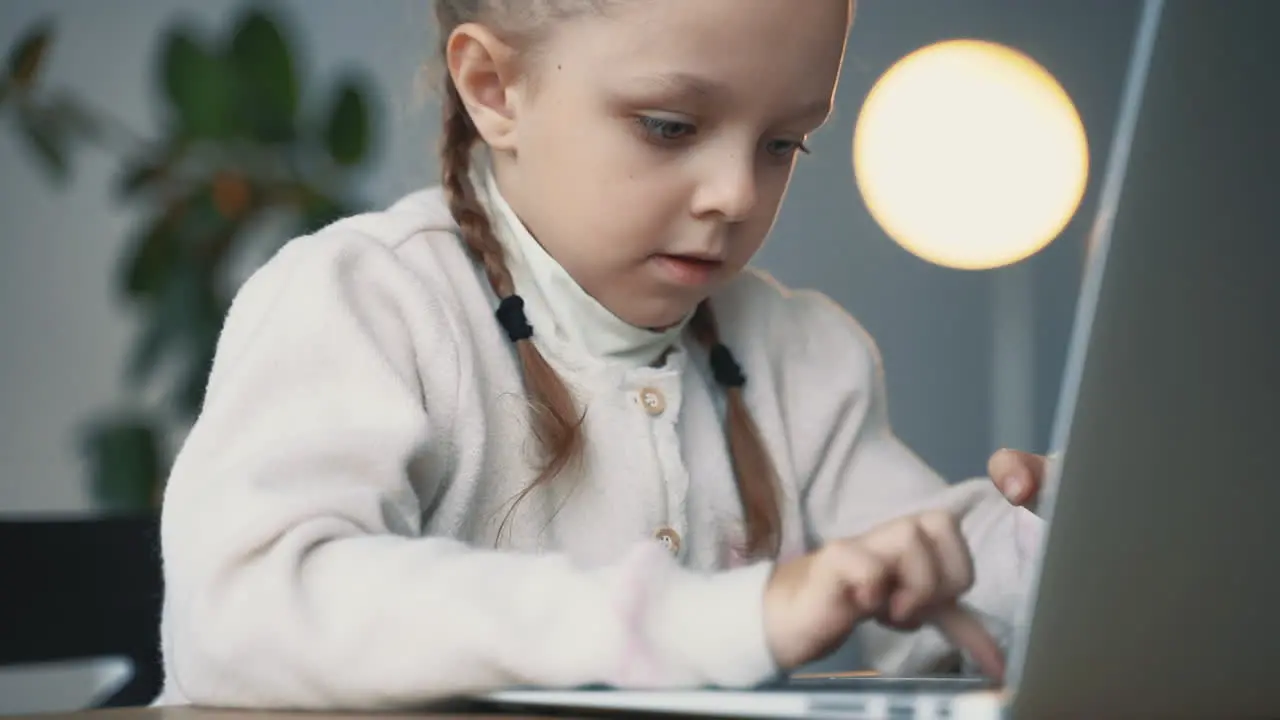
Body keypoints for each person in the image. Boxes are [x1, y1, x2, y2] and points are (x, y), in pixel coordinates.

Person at [154, 0, 1051, 710]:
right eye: (668, 125)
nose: (737, 193)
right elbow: (246, 614)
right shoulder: (362, 299)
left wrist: (1064, 547)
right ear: (494, 88)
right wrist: (702, 622)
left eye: (783, 143)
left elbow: (949, 616)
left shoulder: (802, 353)